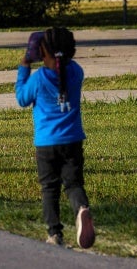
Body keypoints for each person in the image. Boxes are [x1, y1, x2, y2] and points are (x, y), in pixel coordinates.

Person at [16, 27, 95, 249]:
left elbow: (22, 99)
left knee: (50, 188)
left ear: (42, 52)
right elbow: (65, 65)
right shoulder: (76, 72)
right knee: (73, 183)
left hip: (46, 144)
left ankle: (55, 234)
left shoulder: (39, 79)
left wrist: (25, 65)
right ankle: (81, 209)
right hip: (73, 141)